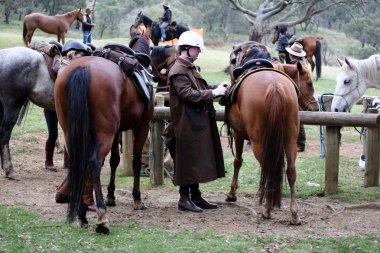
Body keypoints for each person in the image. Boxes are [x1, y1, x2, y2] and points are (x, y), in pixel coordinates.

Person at [165, 31, 226, 213]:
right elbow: (188, 94)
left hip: (195, 122)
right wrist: (213, 94)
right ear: (186, 49)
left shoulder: (190, 68)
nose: (199, 52)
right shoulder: (178, 71)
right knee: (186, 161)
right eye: (196, 48)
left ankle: (196, 196)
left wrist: (218, 87)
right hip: (185, 124)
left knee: (196, 159)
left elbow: (200, 88)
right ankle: (184, 199)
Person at [54, 40, 96, 211]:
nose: (83, 57)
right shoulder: (68, 71)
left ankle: (65, 191)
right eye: (81, 54)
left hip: (73, 119)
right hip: (76, 119)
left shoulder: (64, 68)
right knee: (86, 157)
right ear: (73, 53)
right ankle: (86, 198)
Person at [285, 42, 308, 152]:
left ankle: (301, 143)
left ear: (292, 55)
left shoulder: (298, 66)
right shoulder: (300, 63)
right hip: (299, 92)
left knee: (299, 116)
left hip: (298, 93)